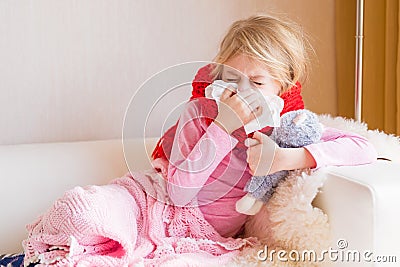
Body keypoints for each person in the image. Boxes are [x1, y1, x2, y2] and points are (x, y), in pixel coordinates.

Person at [22, 14, 377, 266]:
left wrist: (290, 158)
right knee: (81, 210)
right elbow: (178, 190)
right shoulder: (201, 114)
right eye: (233, 79)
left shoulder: (285, 129)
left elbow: (366, 147)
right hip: (150, 201)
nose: (243, 92)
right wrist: (221, 127)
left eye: (257, 82)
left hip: (206, 236)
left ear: (282, 88)